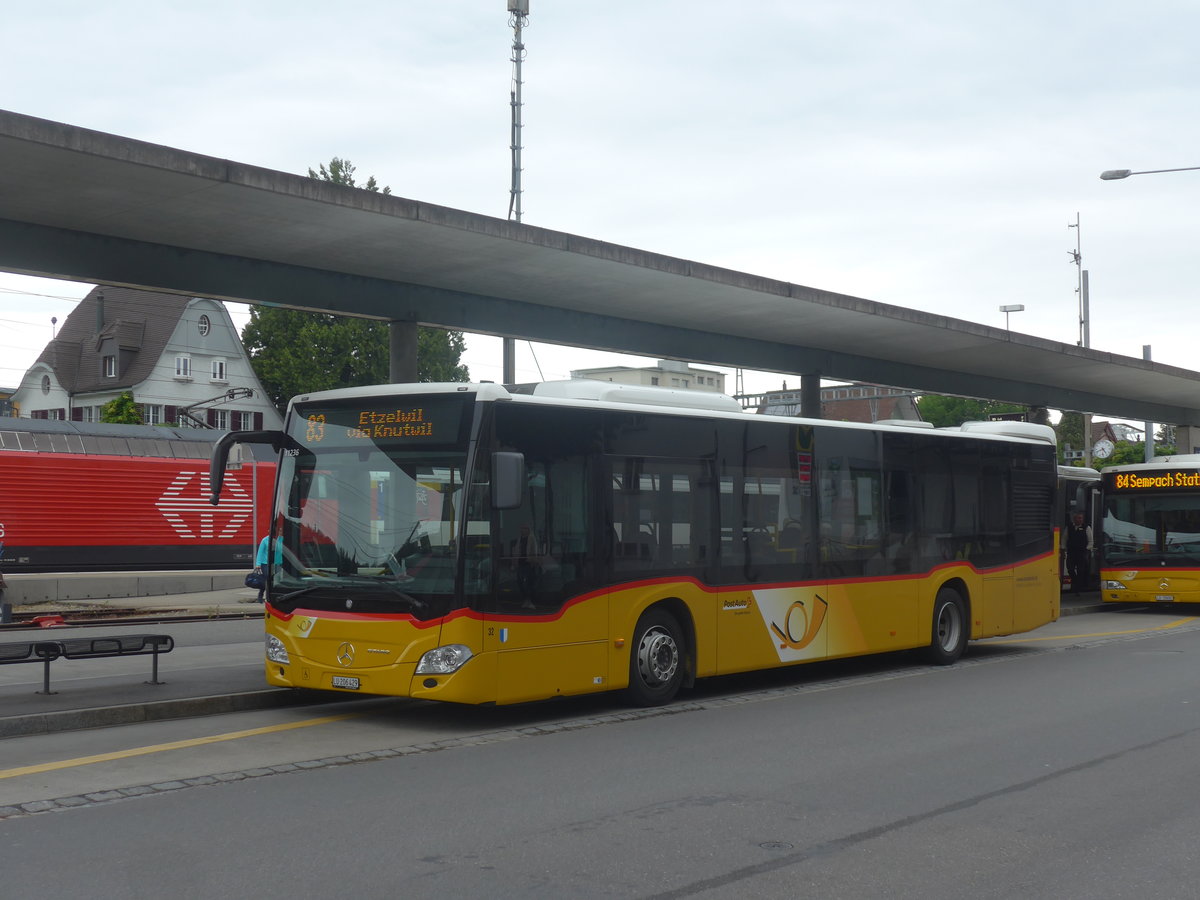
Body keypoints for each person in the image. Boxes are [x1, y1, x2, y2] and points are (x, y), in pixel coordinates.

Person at [1065, 512, 1092, 594]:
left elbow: (1091, 541)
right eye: (1077, 518)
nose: (1079, 520)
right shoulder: (1069, 527)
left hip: (1082, 552)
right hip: (1071, 552)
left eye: (1080, 518)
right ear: (1074, 519)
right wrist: (1063, 548)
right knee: (1070, 569)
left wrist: (1087, 550)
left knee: (1081, 571)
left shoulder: (1086, 528)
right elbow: (1064, 538)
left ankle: (1078, 588)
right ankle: (1075, 581)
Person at [255, 534, 282, 603]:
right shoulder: (265, 540)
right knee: (267, 579)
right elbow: (260, 552)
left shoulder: (280, 539)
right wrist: (258, 564)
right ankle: (261, 595)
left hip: (276, 563)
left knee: (275, 580)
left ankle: (272, 596)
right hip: (265, 563)